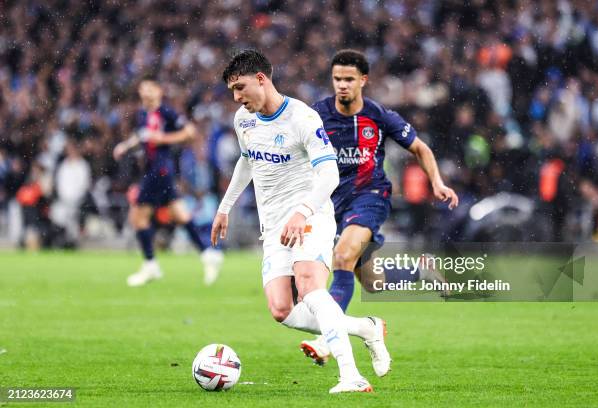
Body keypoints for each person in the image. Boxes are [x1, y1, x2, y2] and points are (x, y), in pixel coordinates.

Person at [211, 50, 390, 393]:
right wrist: (225, 207)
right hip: (275, 226)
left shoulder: (302, 118)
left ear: (261, 79)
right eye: (232, 90)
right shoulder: (243, 120)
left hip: (311, 216)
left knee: (310, 286)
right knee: (281, 309)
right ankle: (367, 328)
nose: (236, 97)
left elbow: (329, 173)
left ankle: (350, 375)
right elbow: (246, 161)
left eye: (240, 87)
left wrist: (302, 211)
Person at [300, 49, 459, 365]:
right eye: (337, 79)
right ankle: (419, 270)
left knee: (342, 257)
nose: (342, 85)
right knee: (375, 283)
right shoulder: (315, 114)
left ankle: (326, 340)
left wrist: (438, 183)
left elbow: (420, 148)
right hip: (332, 205)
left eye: (349, 79)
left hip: (369, 197)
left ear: (363, 80)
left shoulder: (379, 115)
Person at [113, 78, 223, 287]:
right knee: (180, 214)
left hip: (160, 170)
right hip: (156, 170)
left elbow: (189, 132)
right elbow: (143, 135)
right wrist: (125, 146)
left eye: (149, 88)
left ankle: (150, 264)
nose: (144, 92)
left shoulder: (167, 113)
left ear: (158, 91)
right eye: (141, 89)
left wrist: (163, 139)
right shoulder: (143, 114)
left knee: (138, 216)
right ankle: (208, 254)